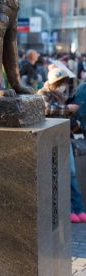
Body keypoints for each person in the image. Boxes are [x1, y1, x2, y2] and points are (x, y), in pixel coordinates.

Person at [38, 67, 86, 223]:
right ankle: (69, 210)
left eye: (65, 82)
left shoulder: (61, 95)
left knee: (71, 173)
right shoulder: (43, 93)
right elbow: (47, 109)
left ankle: (79, 209)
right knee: (60, 175)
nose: (64, 85)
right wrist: (67, 109)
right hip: (51, 140)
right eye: (61, 82)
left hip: (65, 137)